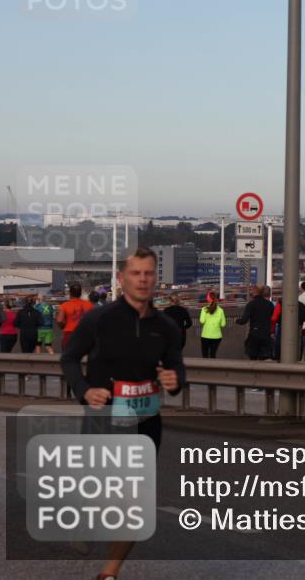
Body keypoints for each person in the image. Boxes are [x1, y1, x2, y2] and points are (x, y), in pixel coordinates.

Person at [60, 246, 185, 580]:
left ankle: (109, 574)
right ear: (121, 278)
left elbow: (176, 367)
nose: (142, 280)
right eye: (135, 273)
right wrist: (84, 389)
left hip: (146, 423)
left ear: (155, 279)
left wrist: (174, 381)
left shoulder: (168, 327)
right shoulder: (98, 319)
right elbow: (69, 358)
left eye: (148, 274)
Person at [236, 285, 274, 361]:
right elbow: (273, 319)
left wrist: (237, 321)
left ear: (254, 292)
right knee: (264, 358)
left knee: (253, 358)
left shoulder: (251, 304)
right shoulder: (270, 304)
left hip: (254, 334)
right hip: (266, 334)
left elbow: (244, 320)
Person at [271, 296, 305, 361]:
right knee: (296, 359)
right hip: (298, 335)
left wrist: (272, 331)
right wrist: (302, 333)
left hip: (282, 334)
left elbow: (274, 318)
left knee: (279, 358)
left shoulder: (281, 304)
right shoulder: (304, 307)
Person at [56, 283, 94, 350]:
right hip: (84, 335)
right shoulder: (89, 305)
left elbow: (59, 320)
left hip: (70, 334)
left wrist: (63, 326)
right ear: (80, 293)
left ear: (70, 293)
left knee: (68, 357)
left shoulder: (64, 305)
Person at [199, 292, 226, 358]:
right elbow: (223, 324)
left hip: (205, 335)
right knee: (213, 354)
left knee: (205, 355)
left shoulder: (204, 309)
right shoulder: (220, 310)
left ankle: (205, 367)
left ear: (208, 298)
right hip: (217, 336)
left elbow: (202, 321)